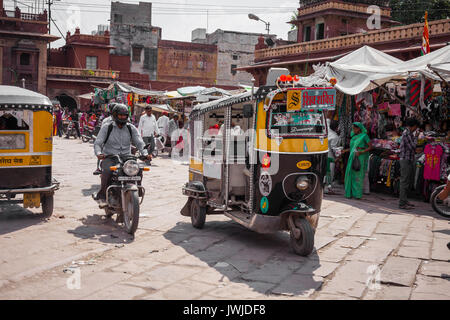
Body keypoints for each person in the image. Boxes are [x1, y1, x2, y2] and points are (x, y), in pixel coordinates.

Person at [92, 104, 151, 204]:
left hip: (127, 158)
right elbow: (98, 143)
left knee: (138, 170)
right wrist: (98, 153)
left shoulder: (131, 128)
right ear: (115, 115)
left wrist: (145, 154)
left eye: (125, 115)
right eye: (120, 115)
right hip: (110, 157)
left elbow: (139, 142)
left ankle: (137, 192)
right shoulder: (107, 127)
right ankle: (102, 194)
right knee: (106, 171)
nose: (123, 117)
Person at [341, 122, 372, 199]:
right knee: (350, 174)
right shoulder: (354, 137)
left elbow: (370, 147)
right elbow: (353, 148)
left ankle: (357, 195)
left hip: (360, 157)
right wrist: (345, 151)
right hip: (353, 156)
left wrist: (361, 152)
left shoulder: (364, 136)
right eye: (352, 128)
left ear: (359, 129)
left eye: (354, 128)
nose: (353, 130)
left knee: (358, 175)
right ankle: (349, 193)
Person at [398, 118, 419, 209]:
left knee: (406, 181)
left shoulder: (409, 133)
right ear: (413, 126)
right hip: (405, 159)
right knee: (404, 182)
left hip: (408, 159)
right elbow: (412, 147)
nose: (416, 129)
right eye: (416, 127)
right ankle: (402, 203)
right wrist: (417, 137)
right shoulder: (406, 133)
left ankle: (404, 200)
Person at [325, 119, 340, 194]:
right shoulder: (335, 136)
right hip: (330, 156)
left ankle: (324, 186)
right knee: (330, 172)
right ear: (337, 127)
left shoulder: (326, 130)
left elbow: (327, 120)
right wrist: (338, 157)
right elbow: (334, 149)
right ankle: (328, 188)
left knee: (324, 171)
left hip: (324, 155)